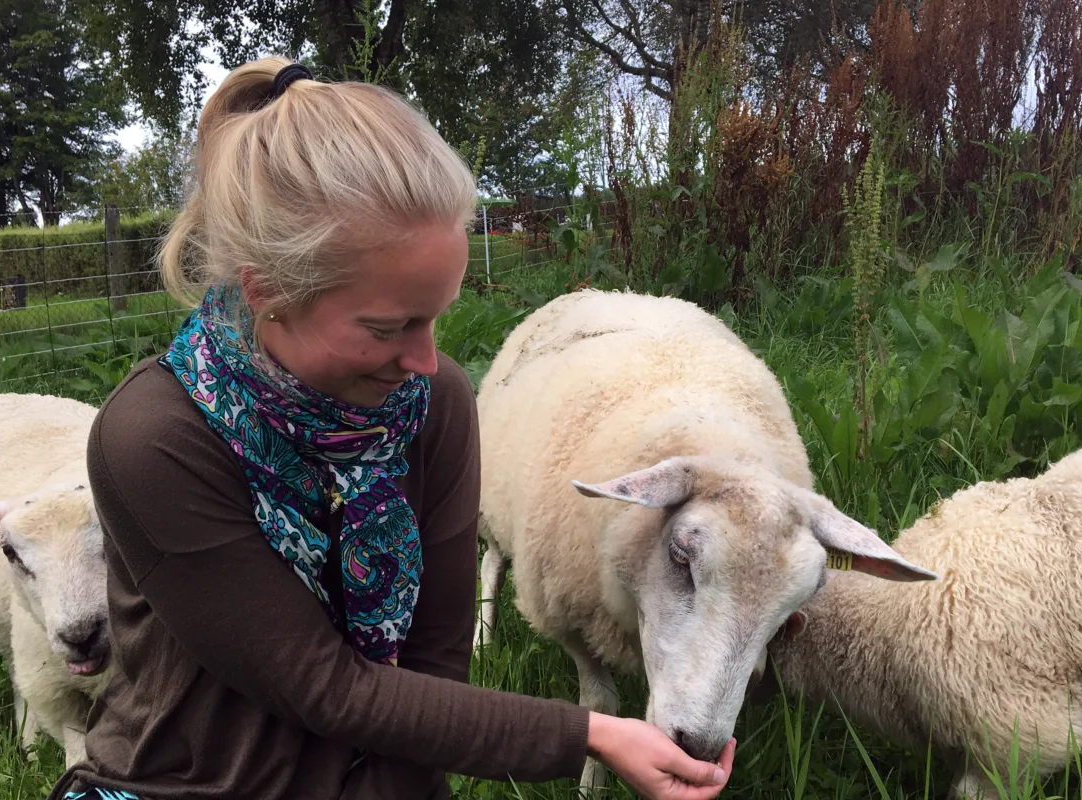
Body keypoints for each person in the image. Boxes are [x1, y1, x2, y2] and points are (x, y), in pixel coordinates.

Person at [47, 56, 736, 800]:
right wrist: (588, 735)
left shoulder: (432, 402)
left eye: (436, 316)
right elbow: (319, 685)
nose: (426, 359)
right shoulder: (156, 438)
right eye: (388, 327)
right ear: (267, 290)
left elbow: (435, 662)